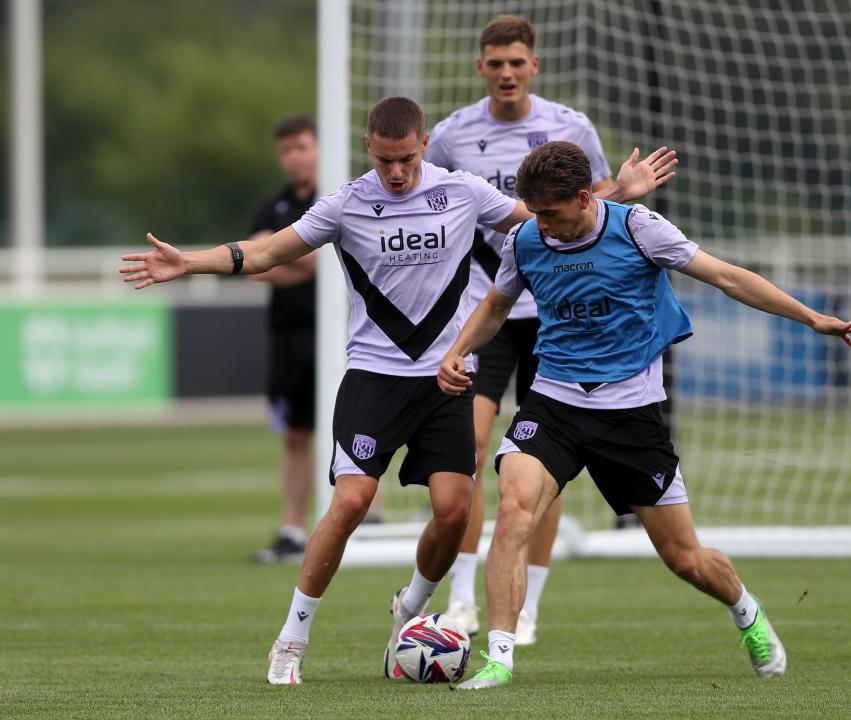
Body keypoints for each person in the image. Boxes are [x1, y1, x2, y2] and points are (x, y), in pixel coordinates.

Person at [119, 99, 674, 685]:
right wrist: (189, 263)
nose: (397, 172)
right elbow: (265, 252)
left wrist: (620, 194)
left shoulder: (462, 192)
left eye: (407, 158)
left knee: (454, 512)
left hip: (445, 380)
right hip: (375, 378)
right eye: (386, 161)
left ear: (425, 144)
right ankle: (292, 637)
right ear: (369, 149)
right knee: (353, 502)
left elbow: (545, 220)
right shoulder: (346, 203)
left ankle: (409, 609)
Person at [437, 141, 851, 689]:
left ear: (582, 198)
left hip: (631, 415)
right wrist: (458, 351)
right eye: (534, 213)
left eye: (549, 213)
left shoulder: (639, 228)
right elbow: (497, 305)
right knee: (514, 511)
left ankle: (746, 610)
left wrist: (812, 318)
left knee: (685, 559)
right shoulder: (526, 239)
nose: (540, 224)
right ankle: (499, 659)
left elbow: (727, 277)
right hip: (554, 402)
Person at [425, 15, 674, 643]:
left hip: (562, 321)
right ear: (479, 68)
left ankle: (528, 607)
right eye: (494, 63)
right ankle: (461, 601)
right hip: (493, 311)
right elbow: (429, 203)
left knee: (545, 465)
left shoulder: (571, 128)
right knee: (470, 453)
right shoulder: (452, 136)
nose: (506, 73)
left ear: (534, 65)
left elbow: (593, 206)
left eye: (516, 62)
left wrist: (627, 189)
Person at [247, 114, 319, 564]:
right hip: (288, 337)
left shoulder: (337, 200)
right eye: (286, 150)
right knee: (294, 433)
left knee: (352, 430)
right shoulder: (269, 208)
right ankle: (292, 528)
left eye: (302, 147)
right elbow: (256, 266)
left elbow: (313, 261)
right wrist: (286, 260)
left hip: (336, 333)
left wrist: (278, 260)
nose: (294, 157)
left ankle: (369, 517)